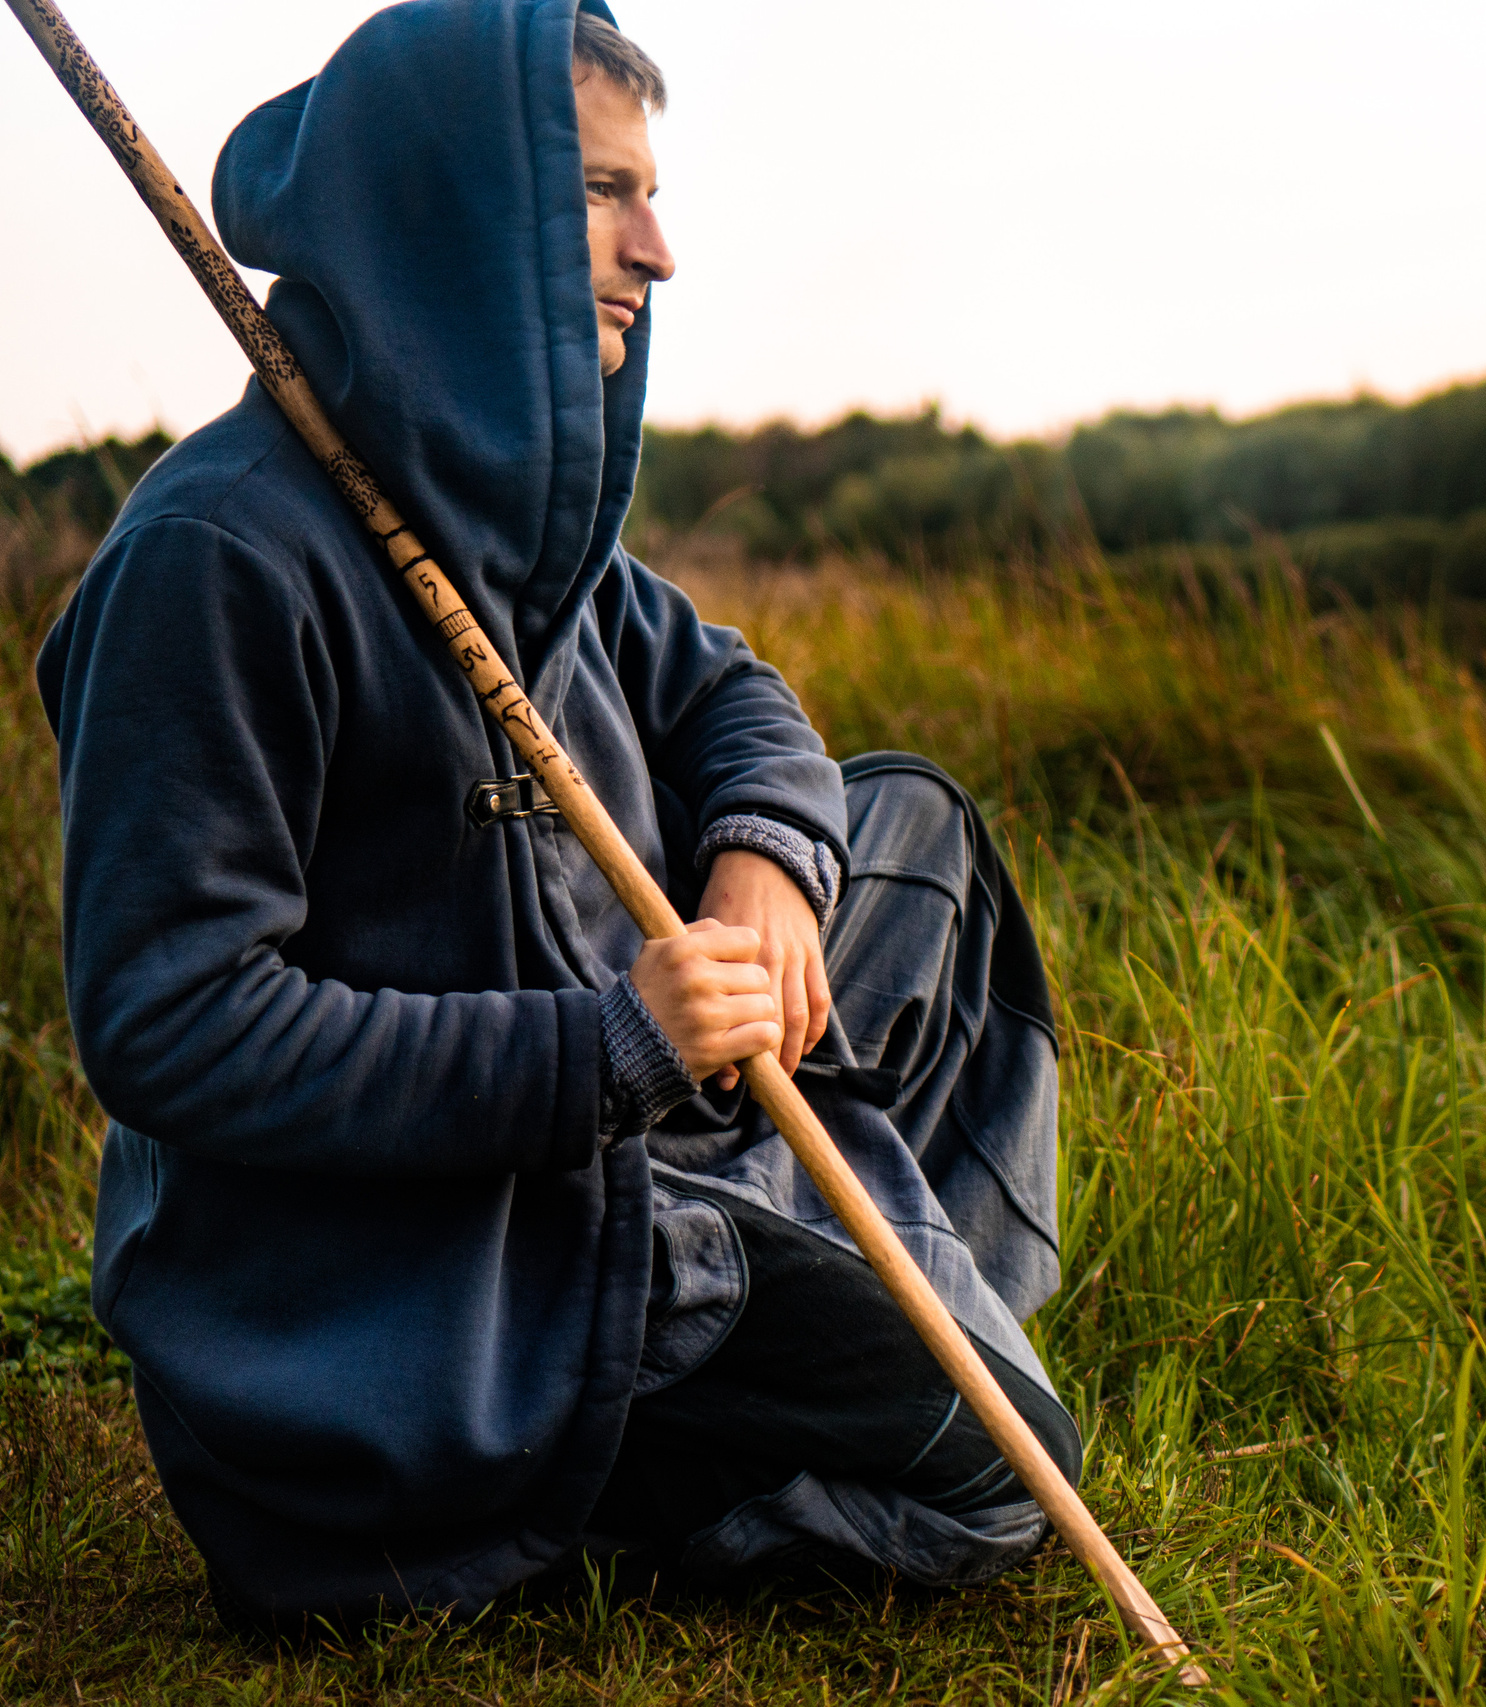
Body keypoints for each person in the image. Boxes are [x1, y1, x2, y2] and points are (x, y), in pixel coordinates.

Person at [35, 0, 1078, 1633]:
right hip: (429, 1305)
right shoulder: (219, 560)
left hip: (628, 1126)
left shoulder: (508, 520)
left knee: (909, 830)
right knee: (1008, 1473)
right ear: (455, 207)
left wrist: (764, 878)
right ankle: (570, 1512)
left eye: (649, 192)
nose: (657, 249)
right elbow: (174, 1027)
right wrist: (603, 1054)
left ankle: (820, 1263)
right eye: (604, 192)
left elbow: (742, 702)